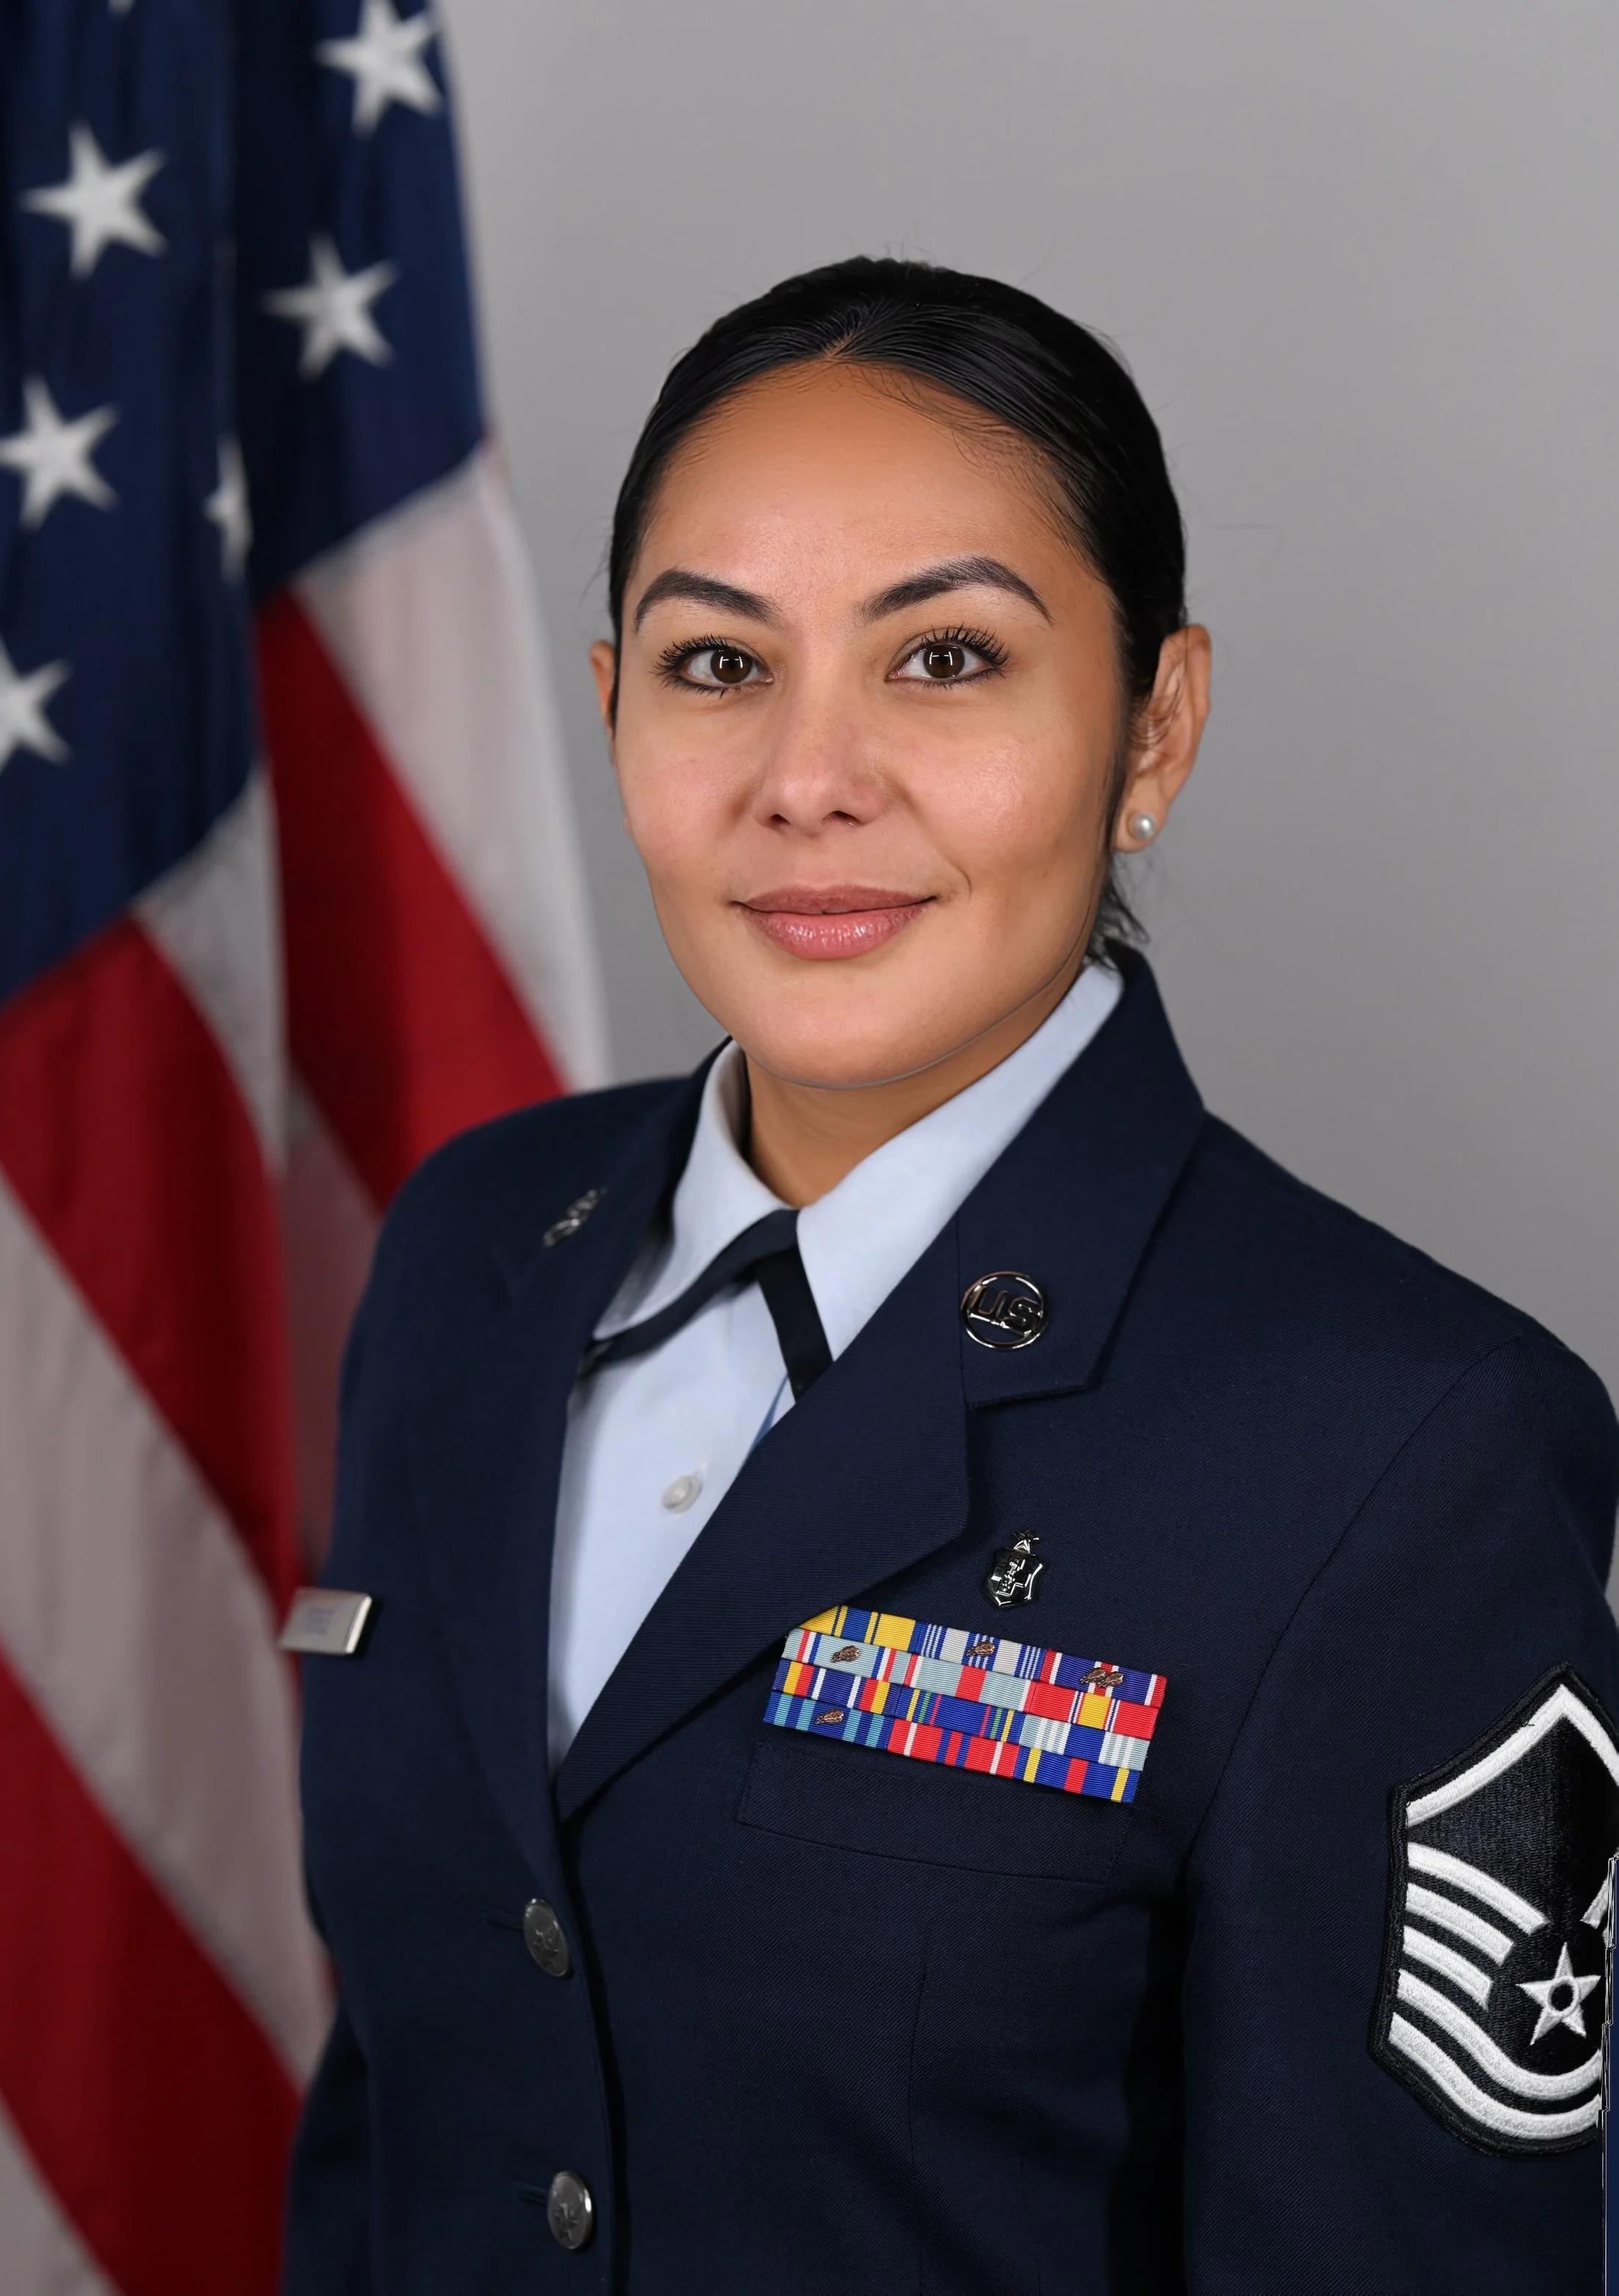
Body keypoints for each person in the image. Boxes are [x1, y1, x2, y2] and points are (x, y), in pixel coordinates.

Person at [281, 257, 1619, 2292]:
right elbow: (399, 2129)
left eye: (946, 658)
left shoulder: (1403, 1450)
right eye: (717, 663)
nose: (808, 777)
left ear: (1154, 723)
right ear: (610, 705)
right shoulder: (476, 1247)